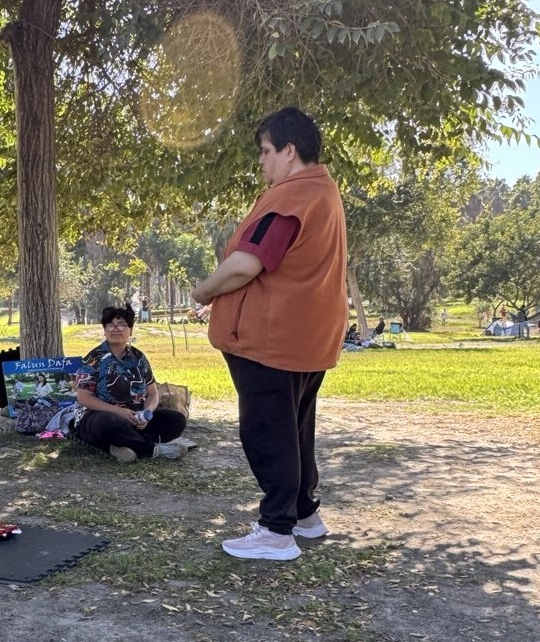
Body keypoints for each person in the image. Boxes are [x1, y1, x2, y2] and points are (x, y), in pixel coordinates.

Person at [192, 107, 347, 561]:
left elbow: (246, 264)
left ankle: (277, 531)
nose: (261, 161)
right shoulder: (324, 193)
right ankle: (304, 515)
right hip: (307, 338)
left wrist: (203, 291)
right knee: (294, 430)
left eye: (265, 151)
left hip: (271, 341)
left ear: (289, 150)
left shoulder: (291, 198)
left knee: (266, 433)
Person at [72, 304, 188, 463]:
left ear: (130, 330)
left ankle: (122, 445)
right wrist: (118, 411)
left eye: (121, 325)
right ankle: (152, 449)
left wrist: (146, 414)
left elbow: (152, 393)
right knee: (108, 424)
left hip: (135, 418)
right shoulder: (93, 358)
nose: (115, 329)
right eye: (110, 325)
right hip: (99, 417)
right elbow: (84, 398)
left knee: (176, 420)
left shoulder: (139, 358)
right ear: (104, 330)